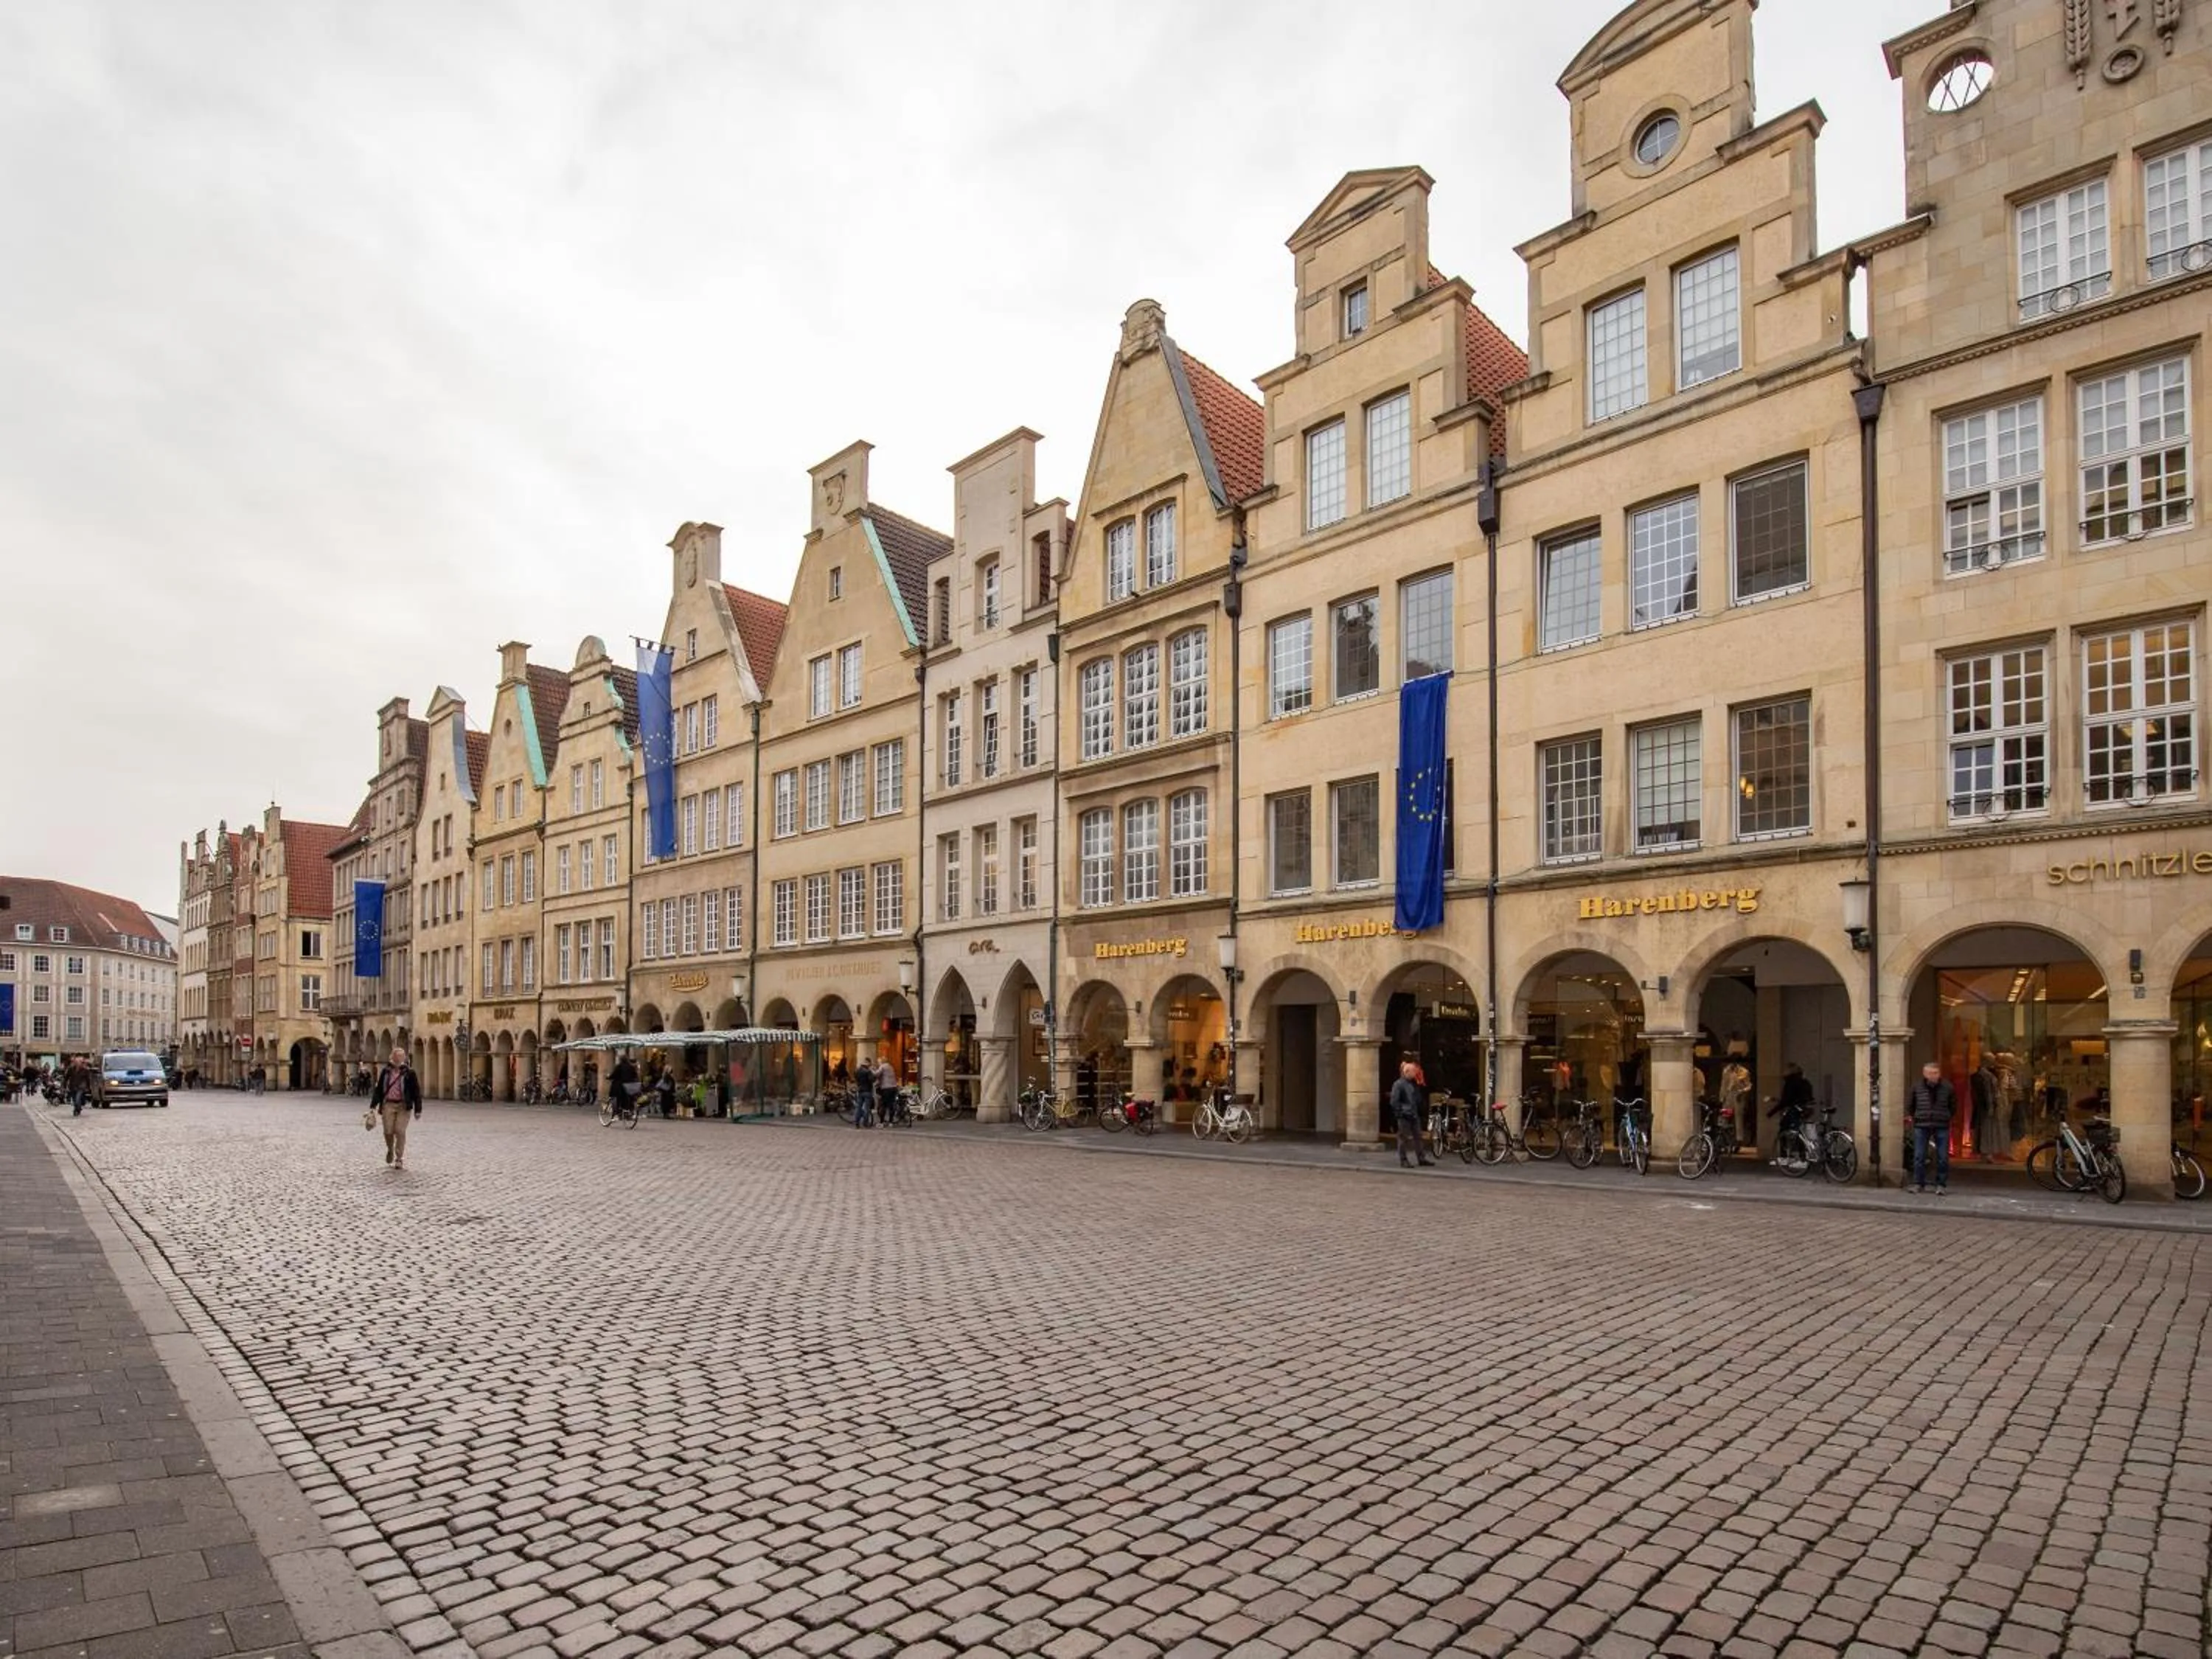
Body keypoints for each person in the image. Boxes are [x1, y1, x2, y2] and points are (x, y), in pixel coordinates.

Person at [1907, 1060, 1954, 1194]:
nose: (1932, 1076)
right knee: (1919, 1156)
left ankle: (1941, 1184)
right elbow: (1911, 1105)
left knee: (1942, 1157)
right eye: (1929, 1073)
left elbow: (1953, 1106)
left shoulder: (1947, 1087)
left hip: (1941, 1124)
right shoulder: (1917, 1087)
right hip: (1922, 1124)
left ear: (1939, 1074)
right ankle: (1918, 1183)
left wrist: (1946, 1117)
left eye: (1935, 1073)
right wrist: (1915, 1116)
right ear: (1924, 1073)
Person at [372, 1046, 422, 1170]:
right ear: (392, 1057)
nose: (399, 1059)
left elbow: (416, 1091)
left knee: (400, 1131)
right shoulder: (386, 1072)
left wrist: (418, 1109)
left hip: (404, 1106)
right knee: (388, 1131)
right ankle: (390, 1149)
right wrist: (373, 1105)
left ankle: (399, 1158)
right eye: (397, 1056)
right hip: (388, 1104)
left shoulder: (410, 1073)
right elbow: (379, 1090)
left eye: (402, 1056)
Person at [1391, 1057, 1433, 1169]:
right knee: (1403, 1138)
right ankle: (1404, 1160)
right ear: (1407, 1072)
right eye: (1413, 1071)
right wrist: (1400, 1113)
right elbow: (1394, 1101)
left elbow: (1417, 1099)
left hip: (1414, 1114)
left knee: (1418, 1137)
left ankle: (1421, 1158)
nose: (1415, 1073)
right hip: (1405, 1115)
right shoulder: (1399, 1084)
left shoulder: (1414, 1084)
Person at [609, 1052, 641, 1119]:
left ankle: (618, 1112)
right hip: (630, 1086)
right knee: (629, 1097)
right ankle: (629, 1111)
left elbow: (614, 1075)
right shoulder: (631, 1067)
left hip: (621, 1086)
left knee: (617, 1096)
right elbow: (635, 1075)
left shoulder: (619, 1066)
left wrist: (608, 1077)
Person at [852, 1054, 875, 1128]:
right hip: (867, 1091)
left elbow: (855, 1078)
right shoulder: (868, 1071)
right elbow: (872, 1080)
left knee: (858, 1107)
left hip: (860, 1090)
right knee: (866, 1108)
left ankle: (857, 1122)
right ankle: (865, 1123)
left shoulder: (857, 1070)